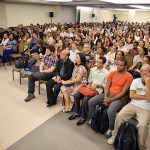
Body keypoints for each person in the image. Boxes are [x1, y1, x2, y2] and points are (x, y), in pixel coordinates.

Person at [107, 64, 150, 150]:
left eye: (146, 71)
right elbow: (132, 95)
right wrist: (145, 97)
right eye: (142, 70)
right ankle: (115, 135)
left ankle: (142, 147)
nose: (143, 73)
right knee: (120, 116)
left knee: (143, 125)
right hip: (133, 105)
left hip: (145, 109)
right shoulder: (136, 81)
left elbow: (148, 98)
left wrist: (148, 84)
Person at [88, 59, 133, 138]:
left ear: (125, 66)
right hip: (108, 94)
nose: (118, 66)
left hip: (119, 98)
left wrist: (111, 100)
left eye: (121, 65)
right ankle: (94, 119)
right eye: (118, 64)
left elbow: (123, 92)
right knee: (91, 102)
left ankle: (111, 128)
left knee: (110, 111)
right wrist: (105, 97)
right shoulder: (112, 73)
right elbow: (107, 86)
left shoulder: (129, 76)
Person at [68, 56, 109, 125]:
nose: (97, 64)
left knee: (86, 99)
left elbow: (106, 85)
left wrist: (98, 85)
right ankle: (77, 112)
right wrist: (89, 84)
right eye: (97, 62)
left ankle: (83, 117)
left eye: (100, 63)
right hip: (89, 88)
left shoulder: (107, 73)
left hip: (97, 90)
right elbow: (89, 80)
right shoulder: (93, 69)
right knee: (76, 95)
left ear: (103, 64)